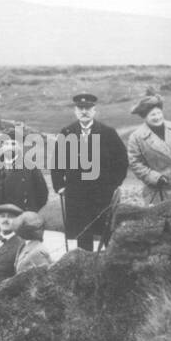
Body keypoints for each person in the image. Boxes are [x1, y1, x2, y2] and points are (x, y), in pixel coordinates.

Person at [50, 93, 128, 251]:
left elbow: (122, 161)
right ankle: (85, 270)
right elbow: (57, 162)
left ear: (94, 110)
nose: (84, 111)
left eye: (88, 108)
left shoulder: (108, 133)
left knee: (108, 234)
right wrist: (60, 186)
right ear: (75, 111)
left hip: (102, 195)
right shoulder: (66, 132)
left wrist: (113, 185)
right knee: (82, 235)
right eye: (80, 108)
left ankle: (110, 267)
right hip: (76, 195)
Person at [122, 95, 171, 206]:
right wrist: (154, 177)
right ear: (145, 117)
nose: (157, 117)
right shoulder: (136, 137)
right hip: (159, 190)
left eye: (159, 113)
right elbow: (135, 163)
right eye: (153, 114)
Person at [0, 131, 48, 240]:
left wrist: (29, 212)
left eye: (13, 144)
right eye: (6, 144)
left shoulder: (30, 168)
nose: (9, 148)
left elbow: (42, 194)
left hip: (22, 224)